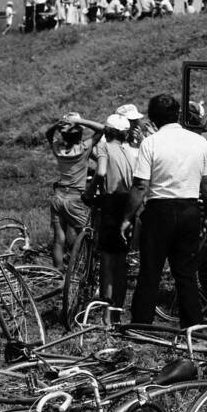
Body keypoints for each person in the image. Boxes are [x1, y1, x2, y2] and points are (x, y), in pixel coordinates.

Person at [121, 94, 207, 328]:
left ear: (152, 119)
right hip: (190, 209)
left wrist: (127, 217)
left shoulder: (150, 143)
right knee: (185, 272)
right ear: (178, 115)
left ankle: (142, 323)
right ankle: (193, 323)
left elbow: (141, 185)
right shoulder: (199, 142)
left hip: (160, 209)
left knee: (151, 270)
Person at [88, 113, 136, 313]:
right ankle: (119, 308)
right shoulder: (128, 151)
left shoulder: (104, 146)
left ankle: (106, 311)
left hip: (111, 202)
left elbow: (100, 172)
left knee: (107, 259)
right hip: (128, 203)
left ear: (107, 131)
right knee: (121, 259)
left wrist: (90, 191)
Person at [45, 112, 102, 268]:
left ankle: (58, 274)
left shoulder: (58, 148)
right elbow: (102, 129)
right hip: (75, 198)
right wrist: (79, 120)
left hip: (58, 196)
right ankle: (86, 270)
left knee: (59, 239)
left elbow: (48, 133)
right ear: (80, 134)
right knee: (87, 236)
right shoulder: (84, 148)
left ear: (63, 135)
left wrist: (59, 123)